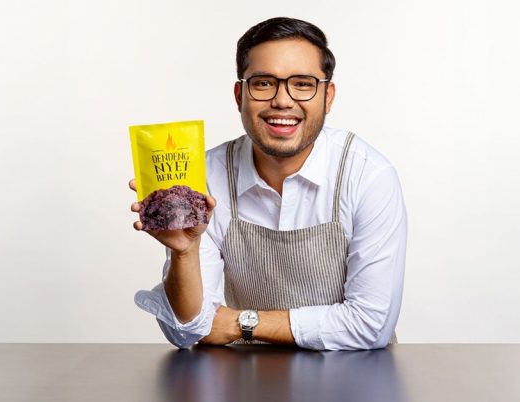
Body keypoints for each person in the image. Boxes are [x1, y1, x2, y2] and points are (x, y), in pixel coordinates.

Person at [129, 17, 407, 350]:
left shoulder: (367, 176)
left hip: (357, 374)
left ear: (328, 96)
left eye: (302, 84)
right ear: (239, 95)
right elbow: (189, 332)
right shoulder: (206, 177)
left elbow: (371, 326)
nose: (283, 101)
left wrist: (242, 323)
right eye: (263, 83)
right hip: (243, 374)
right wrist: (184, 252)